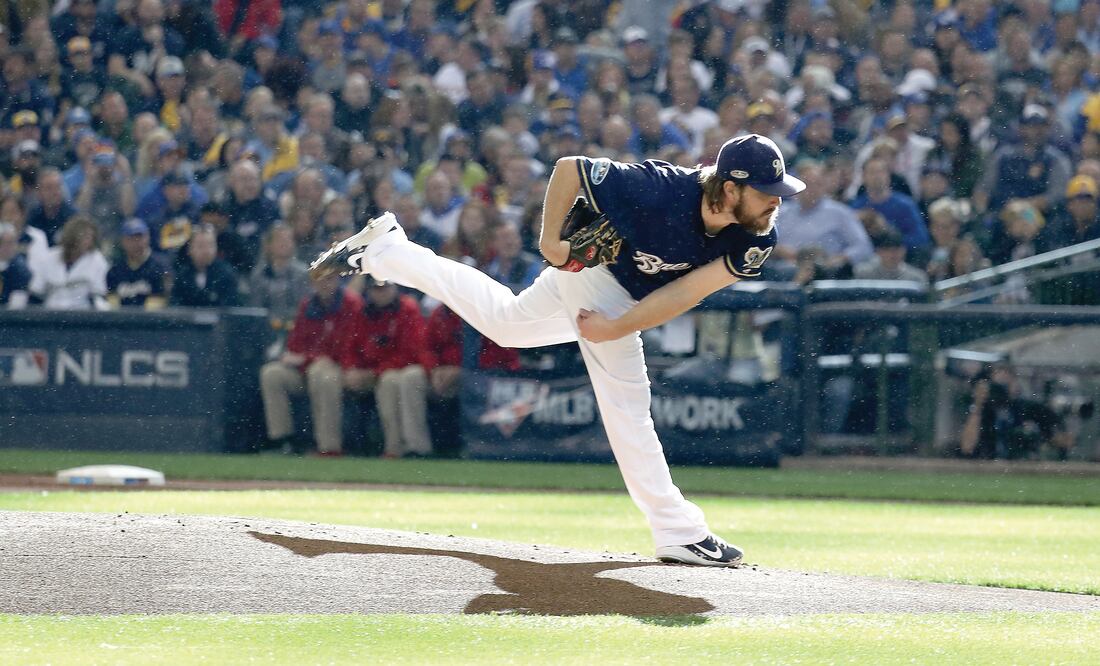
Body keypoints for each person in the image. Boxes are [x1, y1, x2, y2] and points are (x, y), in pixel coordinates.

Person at [310, 133, 806, 567]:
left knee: (506, 324)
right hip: (592, 275)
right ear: (731, 187)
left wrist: (617, 326)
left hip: (622, 294)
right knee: (627, 401)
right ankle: (679, 531)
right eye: (768, 193)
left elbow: (684, 293)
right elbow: (570, 169)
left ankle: (387, 252)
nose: (777, 203)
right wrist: (550, 242)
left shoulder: (755, 236)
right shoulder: (662, 186)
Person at [260, 271, 363, 456]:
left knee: (321, 374)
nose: (325, 284)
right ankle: (282, 441)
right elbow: (294, 344)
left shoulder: (351, 303)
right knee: (272, 374)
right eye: (320, 279)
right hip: (307, 366)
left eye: (330, 278)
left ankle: (329, 447)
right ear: (312, 282)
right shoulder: (308, 305)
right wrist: (308, 359)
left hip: (339, 367)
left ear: (338, 279)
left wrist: (308, 358)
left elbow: (347, 347)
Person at [28, 215, 109, 310]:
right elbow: (36, 292)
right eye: (85, 236)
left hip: (82, 315)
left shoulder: (97, 259)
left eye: (91, 237)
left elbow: (98, 296)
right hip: (51, 313)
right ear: (72, 236)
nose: (88, 241)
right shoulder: (49, 257)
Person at [106, 218, 171, 309]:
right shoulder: (115, 270)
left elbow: (159, 304)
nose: (136, 243)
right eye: (131, 239)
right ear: (123, 241)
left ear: (148, 238)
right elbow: (112, 306)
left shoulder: (160, 266)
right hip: (121, 321)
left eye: (140, 237)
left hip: (152, 321)